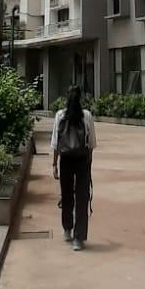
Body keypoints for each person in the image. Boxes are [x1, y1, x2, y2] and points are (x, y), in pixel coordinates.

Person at [51, 84, 97, 251]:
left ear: (66, 96)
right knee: (82, 198)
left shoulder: (60, 115)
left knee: (67, 195)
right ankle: (79, 238)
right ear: (81, 97)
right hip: (82, 160)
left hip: (65, 159)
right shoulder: (87, 116)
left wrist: (54, 164)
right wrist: (88, 164)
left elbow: (55, 143)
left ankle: (67, 229)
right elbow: (91, 144)